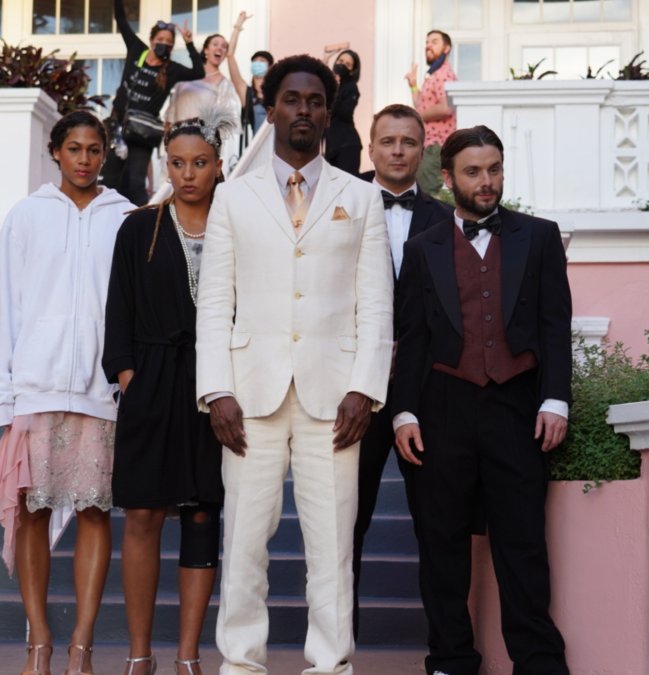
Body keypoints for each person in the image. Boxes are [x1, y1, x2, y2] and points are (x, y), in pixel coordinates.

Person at [195, 54, 393, 675]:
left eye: (314, 100)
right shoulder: (233, 196)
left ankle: (330, 663)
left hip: (335, 401)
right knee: (245, 541)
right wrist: (214, 392)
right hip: (247, 397)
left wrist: (365, 389)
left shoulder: (360, 197)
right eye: (291, 99)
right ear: (271, 107)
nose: (302, 110)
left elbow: (376, 305)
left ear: (327, 113)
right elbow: (215, 302)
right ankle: (241, 661)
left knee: (331, 545)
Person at [391, 125, 572, 675]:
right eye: (473, 171)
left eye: (494, 169)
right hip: (442, 405)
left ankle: (538, 662)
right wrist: (404, 411)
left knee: (521, 544)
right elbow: (411, 337)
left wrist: (555, 401)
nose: (486, 181)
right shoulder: (420, 250)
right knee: (441, 543)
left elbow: (554, 325)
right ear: (447, 179)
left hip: (516, 405)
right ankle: (450, 659)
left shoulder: (539, 237)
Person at [0, 110, 134, 675]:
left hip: (100, 391)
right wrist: (2, 392)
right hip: (35, 389)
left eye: (95, 149)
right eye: (74, 148)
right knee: (30, 512)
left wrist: (126, 381)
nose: (85, 159)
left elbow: (132, 307)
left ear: (105, 153)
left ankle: (81, 647)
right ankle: (39, 642)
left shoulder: (127, 218)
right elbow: (4, 305)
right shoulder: (27, 217)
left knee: (95, 512)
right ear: (56, 152)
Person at [104, 110, 237, 675]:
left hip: (217, 388)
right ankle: (140, 654)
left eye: (200, 163)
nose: (188, 174)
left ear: (218, 166)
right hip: (153, 383)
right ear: (164, 164)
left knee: (204, 514)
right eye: (177, 163)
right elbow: (118, 315)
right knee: (142, 516)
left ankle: (188, 655)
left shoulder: (240, 225)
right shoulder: (140, 227)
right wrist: (131, 381)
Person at [350, 103, 454, 638]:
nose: (396, 151)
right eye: (387, 141)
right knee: (344, 528)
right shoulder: (339, 208)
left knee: (438, 528)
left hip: (426, 397)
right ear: (371, 147)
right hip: (354, 395)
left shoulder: (445, 220)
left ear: (422, 149)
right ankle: (334, 653)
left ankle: (447, 654)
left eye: (408, 142)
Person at [103, 0, 205, 206]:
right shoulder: (136, 50)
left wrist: (189, 43)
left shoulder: (172, 69)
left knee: (135, 183)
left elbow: (198, 72)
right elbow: (120, 20)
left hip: (143, 132)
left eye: (169, 42)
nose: (164, 45)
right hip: (117, 128)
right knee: (110, 180)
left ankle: (141, 227)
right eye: (160, 40)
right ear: (151, 40)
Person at [164, 34, 242, 169]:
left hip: (200, 146)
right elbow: (170, 114)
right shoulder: (187, 77)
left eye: (224, 47)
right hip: (177, 141)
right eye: (216, 44)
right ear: (206, 50)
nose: (220, 48)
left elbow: (227, 123)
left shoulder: (225, 85)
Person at [405, 30, 457, 195]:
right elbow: (421, 106)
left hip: (437, 146)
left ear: (446, 48)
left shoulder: (444, 74)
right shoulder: (434, 75)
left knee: (427, 195)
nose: (428, 45)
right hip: (429, 145)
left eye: (434, 42)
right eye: (427, 42)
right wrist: (413, 85)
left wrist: (416, 117)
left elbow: (445, 107)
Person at [225, 12, 271, 142]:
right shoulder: (247, 93)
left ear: (270, 66)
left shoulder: (276, 94)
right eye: (255, 61)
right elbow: (230, 56)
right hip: (254, 152)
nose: (257, 63)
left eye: (262, 60)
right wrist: (238, 25)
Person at [324, 49, 363, 176]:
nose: (342, 65)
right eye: (340, 61)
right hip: (331, 146)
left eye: (347, 64)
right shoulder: (329, 85)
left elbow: (344, 113)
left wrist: (336, 89)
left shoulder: (351, 88)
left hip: (347, 146)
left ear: (352, 71)